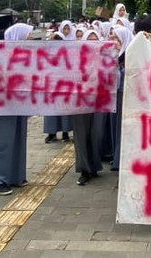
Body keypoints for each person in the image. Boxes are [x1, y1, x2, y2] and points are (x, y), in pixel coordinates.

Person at [0, 23, 33, 196]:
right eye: (27, 35)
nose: (29, 38)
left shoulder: (24, 54)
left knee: (18, 138)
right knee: (2, 140)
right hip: (3, 103)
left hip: (19, 101)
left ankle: (15, 175)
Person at [71, 30, 107, 185]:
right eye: (90, 40)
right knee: (81, 135)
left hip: (98, 102)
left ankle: (94, 166)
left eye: (96, 40)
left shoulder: (104, 60)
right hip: (79, 102)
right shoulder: (76, 60)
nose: (93, 44)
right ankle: (84, 169)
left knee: (96, 134)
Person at [107, 26, 133, 171]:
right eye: (113, 38)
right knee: (115, 127)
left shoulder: (129, 55)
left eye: (118, 38)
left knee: (122, 127)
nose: (114, 41)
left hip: (124, 95)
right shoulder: (111, 54)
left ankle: (120, 159)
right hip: (113, 95)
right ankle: (115, 156)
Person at [43, 31, 73, 143]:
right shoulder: (47, 54)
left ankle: (65, 133)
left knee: (64, 110)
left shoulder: (67, 54)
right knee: (51, 111)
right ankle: (51, 133)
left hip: (64, 86)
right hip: (50, 86)